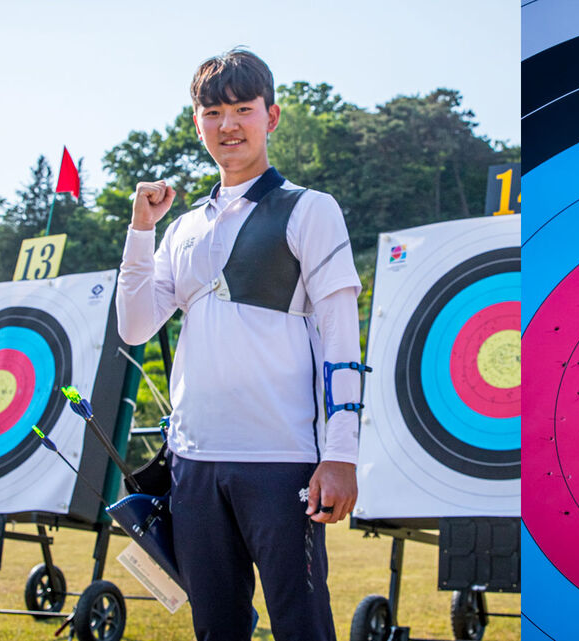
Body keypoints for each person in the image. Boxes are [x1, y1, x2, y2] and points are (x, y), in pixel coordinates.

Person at [116, 48, 362, 640]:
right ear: (196, 122)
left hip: (282, 461)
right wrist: (140, 230)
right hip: (194, 463)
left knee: (301, 625)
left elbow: (340, 337)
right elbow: (134, 326)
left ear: (271, 117)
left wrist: (343, 454)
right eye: (213, 112)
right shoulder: (182, 228)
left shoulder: (309, 209)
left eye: (243, 109)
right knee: (216, 629)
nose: (229, 124)